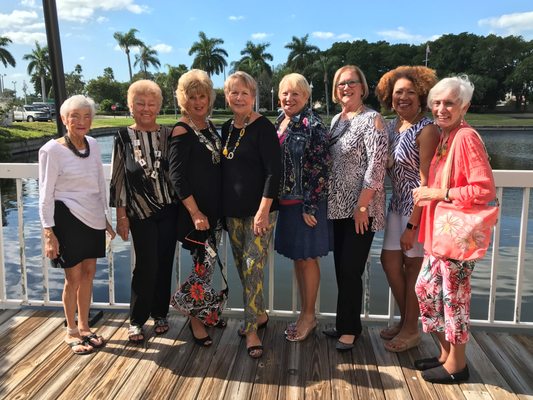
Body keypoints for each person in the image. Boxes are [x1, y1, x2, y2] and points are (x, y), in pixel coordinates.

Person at [413, 75, 496, 383]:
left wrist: (439, 193)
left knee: (454, 299)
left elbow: (483, 189)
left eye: (449, 103)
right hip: (440, 237)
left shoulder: (465, 137)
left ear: (464, 107)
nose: (441, 109)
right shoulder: (447, 136)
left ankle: (457, 366)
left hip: (457, 238)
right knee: (426, 290)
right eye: (436, 103)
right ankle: (446, 355)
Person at [39, 94, 115, 355]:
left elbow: (98, 183)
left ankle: (84, 326)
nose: (81, 121)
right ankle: (70, 331)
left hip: (92, 217)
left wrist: (105, 218)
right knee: (72, 278)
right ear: (64, 119)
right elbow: (45, 194)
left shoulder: (92, 144)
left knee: (89, 274)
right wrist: (49, 232)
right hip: (67, 218)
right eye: (75, 116)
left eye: (86, 116)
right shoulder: (51, 150)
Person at [374, 66, 440, 352]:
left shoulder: (426, 129)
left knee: (413, 266)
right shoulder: (392, 126)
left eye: (410, 92)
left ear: (421, 96)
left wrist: (413, 226)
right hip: (396, 204)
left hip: (417, 208)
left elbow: (427, 181)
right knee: (389, 262)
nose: (403, 97)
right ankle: (406, 321)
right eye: (398, 92)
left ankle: (412, 329)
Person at [324, 65, 388, 352]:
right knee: (342, 269)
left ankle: (350, 329)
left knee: (351, 269)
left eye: (351, 82)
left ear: (363, 87)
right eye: (341, 83)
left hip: (362, 210)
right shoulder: (337, 119)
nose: (346, 87)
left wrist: (362, 206)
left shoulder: (372, 119)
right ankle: (344, 323)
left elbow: (376, 166)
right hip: (337, 208)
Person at [109, 79, 177, 343]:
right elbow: (118, 178)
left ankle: (160, 314)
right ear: (131, 106)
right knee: (146, 265)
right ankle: (137, 319)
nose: (146, 108)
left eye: (151, 103)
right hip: (140, 212)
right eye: (140, 103)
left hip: (169, 209)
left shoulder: (169, 134)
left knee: (165, 262)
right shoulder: (123, 136)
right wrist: (121, 216)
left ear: (159, 106)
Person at [221, 71, 281, 358]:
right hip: (232, 212)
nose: (239, 97)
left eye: (244, 92)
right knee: (242, 268)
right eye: (234, 92)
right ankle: (259, 314)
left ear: (253, 97)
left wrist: (263, 211)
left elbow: (273, 172)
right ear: (227, 97)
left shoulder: (264, 127)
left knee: (251, 266)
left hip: (261, 212)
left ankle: (252, 330)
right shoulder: (226, 128)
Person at [274, 73, 331, 342]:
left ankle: (309, 316)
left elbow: (321, 167)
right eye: (285, 93)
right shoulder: (280, 121)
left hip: (306, 204)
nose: (289, 98)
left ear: (306, 97)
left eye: (296, 93)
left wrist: (310, 206)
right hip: (287, 202)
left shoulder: (313, 125)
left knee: (307, 259)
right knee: (299, 259)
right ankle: (304, 314)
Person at [169, 69, 224, 347]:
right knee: (202, 266)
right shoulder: (182, 130)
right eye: (192, 97)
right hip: (197, 216)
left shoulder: (209, 125)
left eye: (202, 96)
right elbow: (177, 177)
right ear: (183, 99)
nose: (198, 102)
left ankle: (204, 311)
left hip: (214, 213)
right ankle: (195, 320)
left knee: (208, 265)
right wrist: (195, 212)